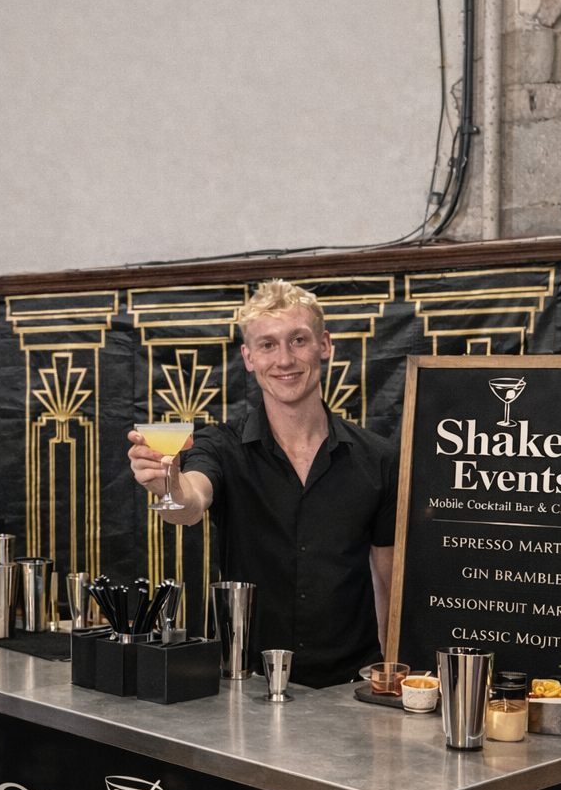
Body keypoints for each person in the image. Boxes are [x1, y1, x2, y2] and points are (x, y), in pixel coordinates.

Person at [128, 279, 397, 688]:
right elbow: (190, 502)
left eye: (298, 340)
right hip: (247, 683)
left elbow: (390, 584)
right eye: (268, 345)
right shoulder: (220, 446)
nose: (285, 359)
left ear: (324, 344)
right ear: (248, 357)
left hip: (352, 687)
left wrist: (391, 678)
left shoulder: (378, 457)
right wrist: (168, 485)